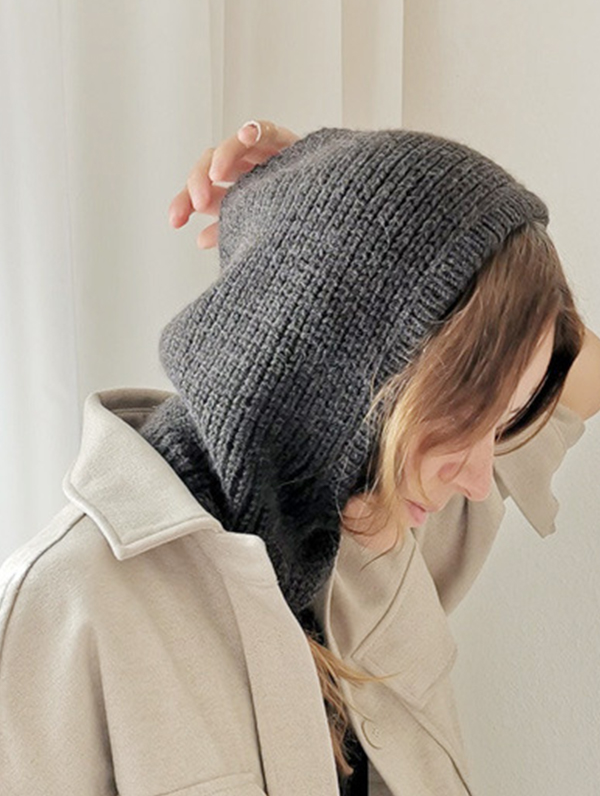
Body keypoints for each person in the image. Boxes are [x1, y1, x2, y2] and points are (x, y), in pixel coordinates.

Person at [1, 121, 599, 796]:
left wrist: (349, 198)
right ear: (340, 368)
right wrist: (339, 234)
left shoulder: (380, 538)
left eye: (503, 424)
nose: (480, 478)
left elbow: (588, 371)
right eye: (463, 418)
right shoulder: (63, 612)